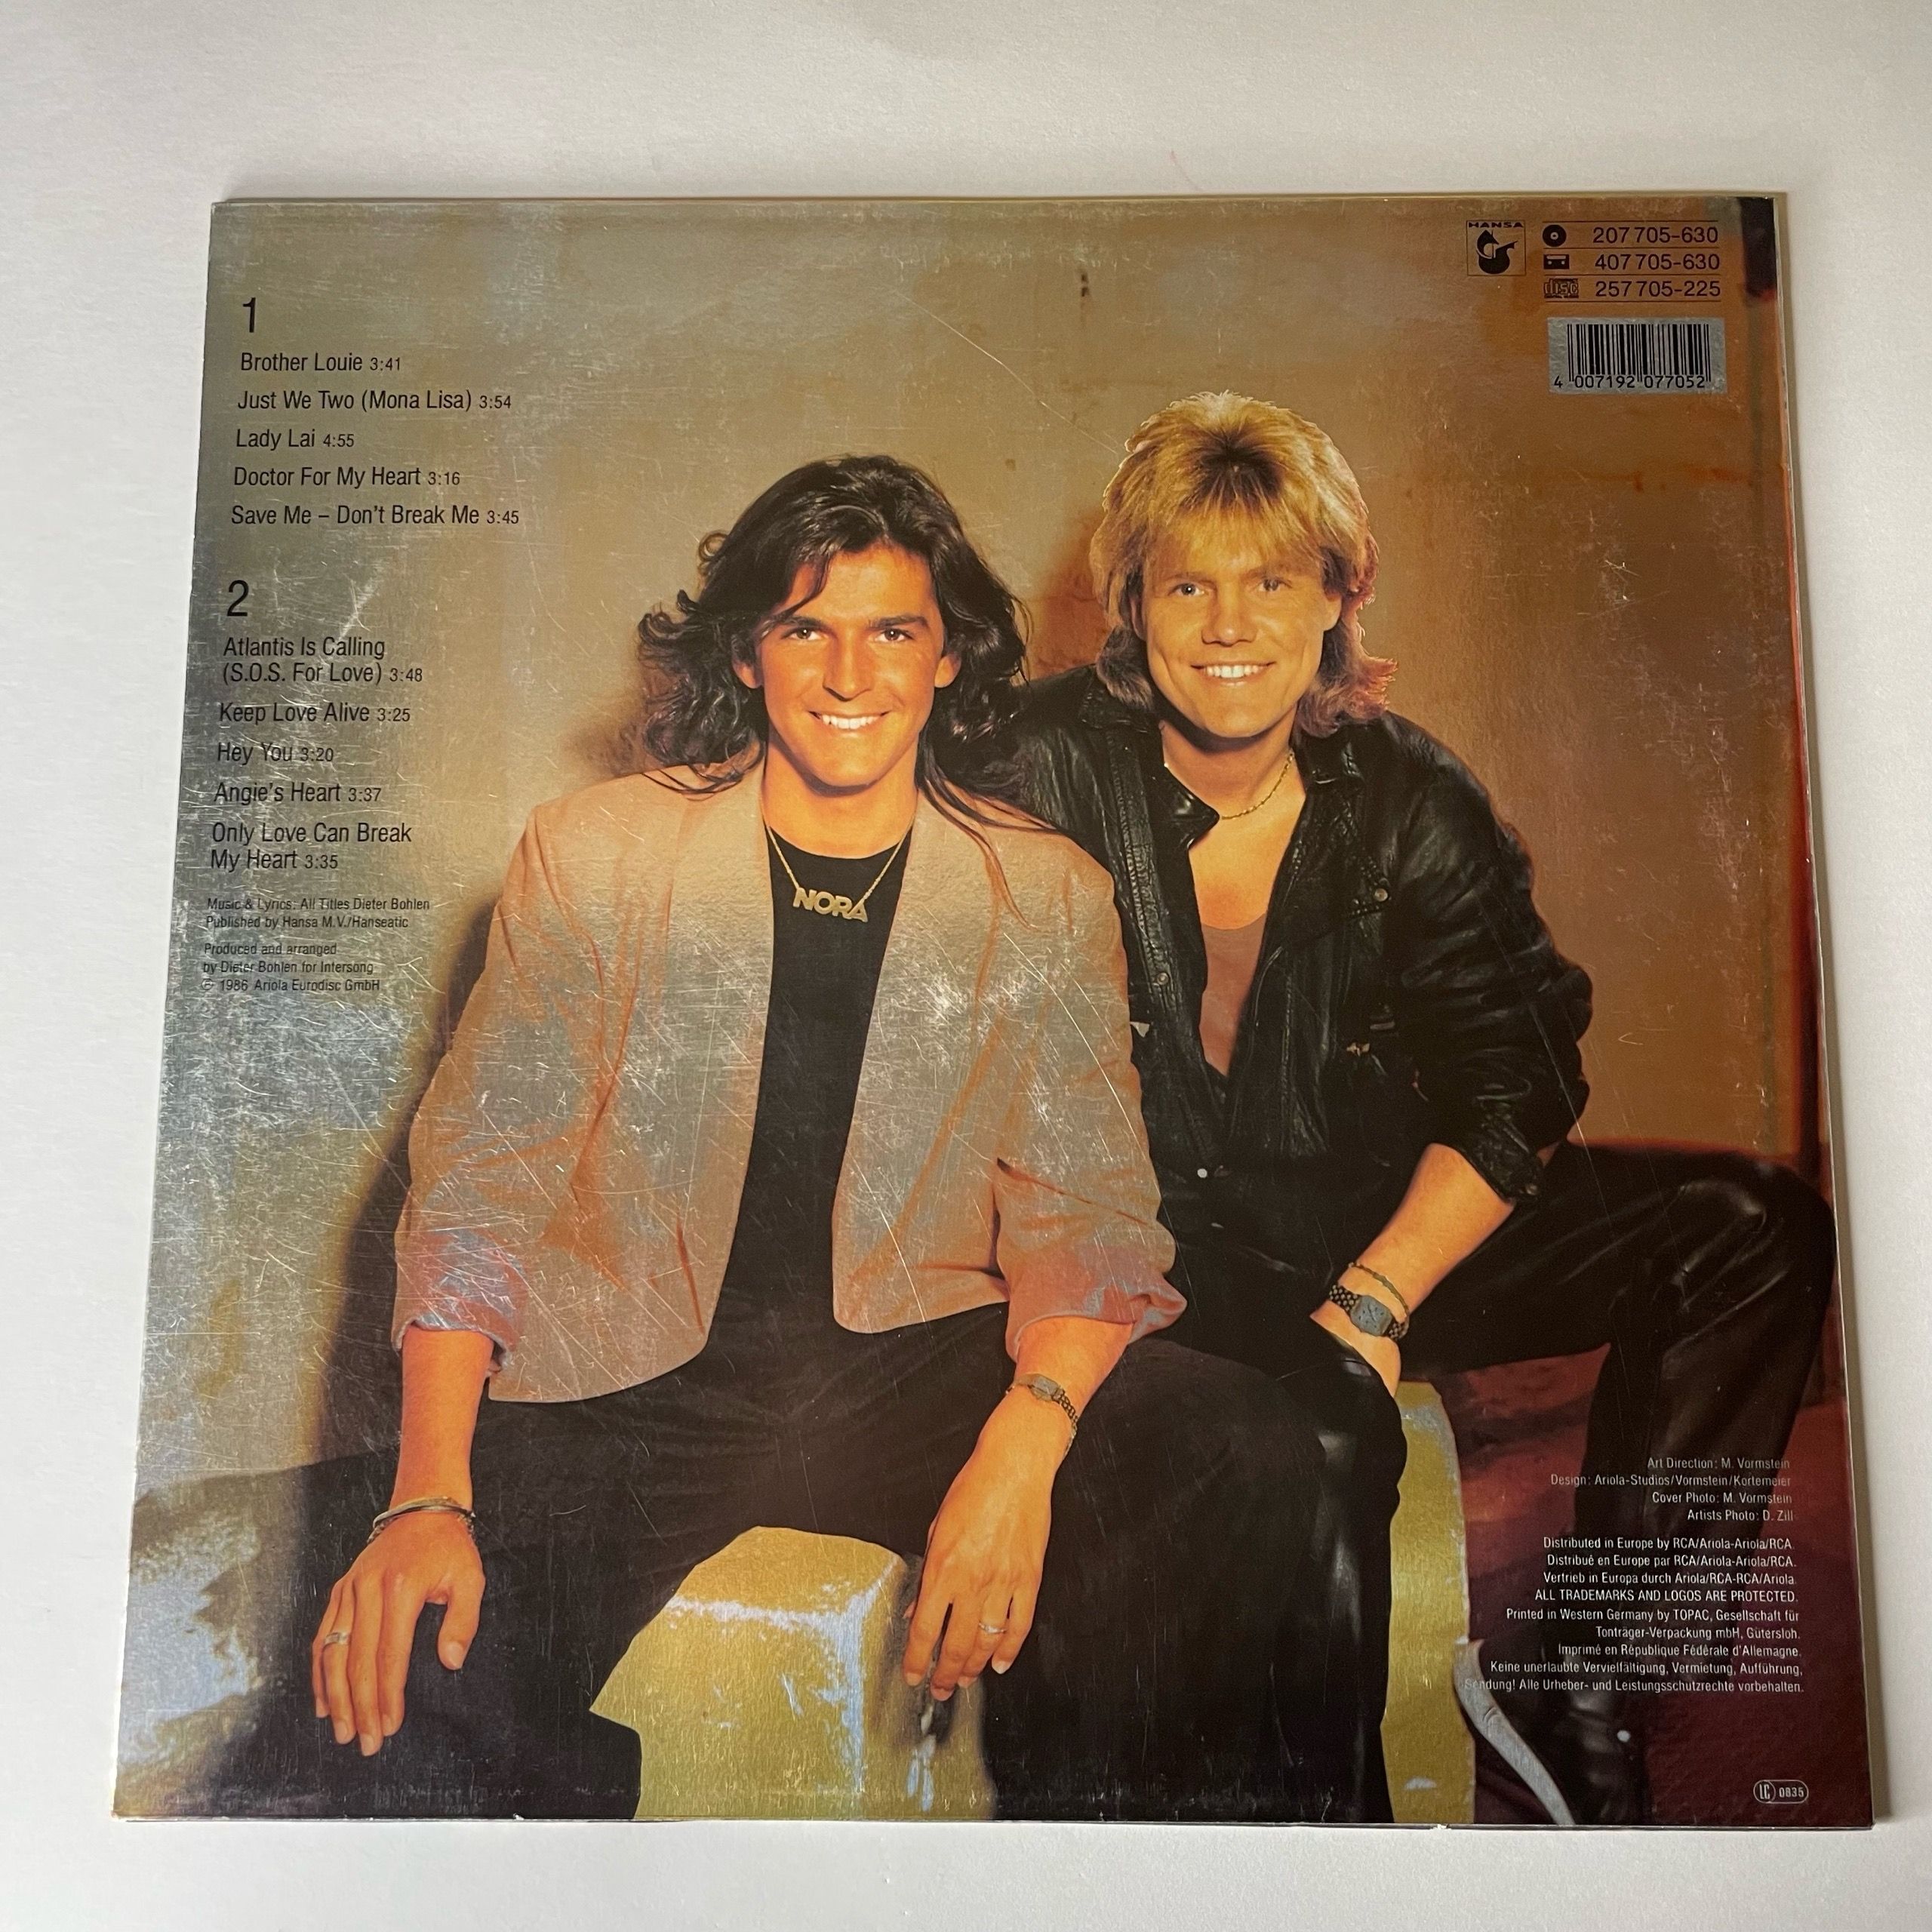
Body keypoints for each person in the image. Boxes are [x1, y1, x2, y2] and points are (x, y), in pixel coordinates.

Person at [227, 453, 1336, 1821]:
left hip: (907, 1359)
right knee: (392, 1692)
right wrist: (424, 1498)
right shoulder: (593, 855)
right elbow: (479, 1192)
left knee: (1241, 1443)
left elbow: (1089, 1222)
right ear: (748, 655)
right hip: (628, 1382)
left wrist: (1024, 1447)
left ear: (948, 659)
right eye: (806, 628)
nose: (849, 673)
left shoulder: (1045, 894)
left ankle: (1095, 1863)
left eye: (894, 631)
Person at [1005, 392, 1838, 1824]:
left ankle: (1584, 1671)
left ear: (1339, 597)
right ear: (1130, 606)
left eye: (1275, 580)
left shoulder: (1408, 795)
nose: (1230, 624)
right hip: (1150, 1260)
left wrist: (1378, 1297)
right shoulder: (1034, 764)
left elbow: (1521, 1074)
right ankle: (1340, 1851)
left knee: (1752, 1222)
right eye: (1188, 585)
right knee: (1329, 1434)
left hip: (1370, 1229)